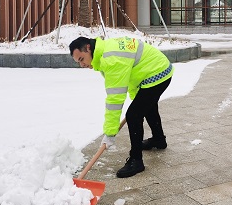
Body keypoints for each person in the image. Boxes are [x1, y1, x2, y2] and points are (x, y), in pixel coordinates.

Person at [69, 35, 173, 178]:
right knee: (146, 105)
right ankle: (159, 139)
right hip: (156, 69)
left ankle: (136, 161)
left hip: (157, 73)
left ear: (88, 48)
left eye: (81, 59)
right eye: (78, 62)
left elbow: (115, 99)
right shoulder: (105, 52)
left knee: (133, 115)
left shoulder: (111, 59)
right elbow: (129, 76)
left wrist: (110, 132)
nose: (82, 65)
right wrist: (137, 97)